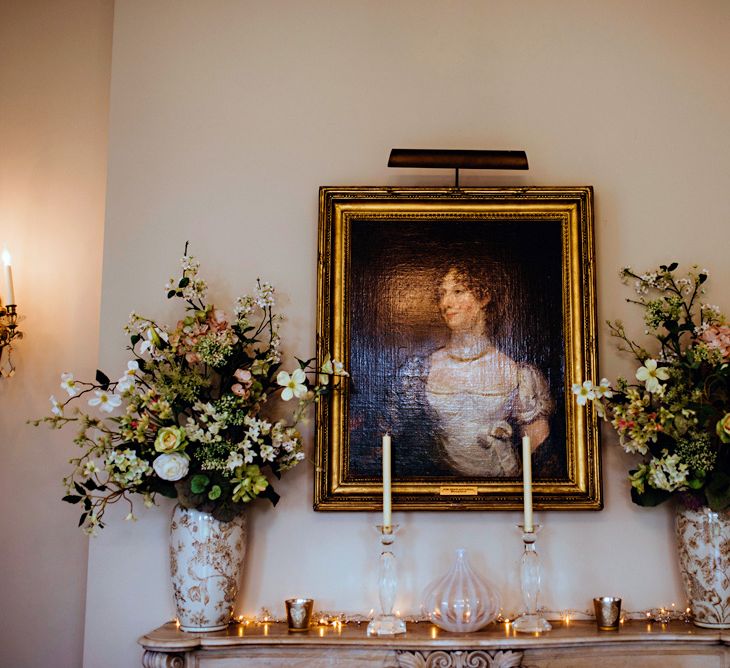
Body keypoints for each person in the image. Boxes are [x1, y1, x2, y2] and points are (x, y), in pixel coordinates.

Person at [396, 263, 554, 478]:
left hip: (503, 494)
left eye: (458, 292)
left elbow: (539, 453)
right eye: (441, 294)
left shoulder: (517, 373)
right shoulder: (419, 371)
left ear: (484, 298)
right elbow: (390, 441)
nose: (445, 303)